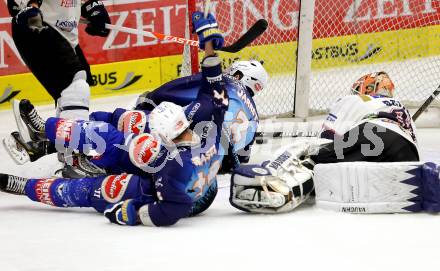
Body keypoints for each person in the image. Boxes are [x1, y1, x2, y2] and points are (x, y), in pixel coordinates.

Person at [0, 11, 240, 226]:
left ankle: (27, 187)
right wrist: (210, 45)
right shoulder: (210, 128)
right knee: (119, 133)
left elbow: (171, 210)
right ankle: (45, 133)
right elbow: (214, 88)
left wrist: (133, 213)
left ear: (165, 138)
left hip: (175, 195)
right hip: (179, 169)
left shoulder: (173, 172)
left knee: (96, 190)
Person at [228, 71, 438, 214]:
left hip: (371, 135)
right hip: (408, 154)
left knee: (309, 155)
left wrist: (317, 155)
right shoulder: (403, 111)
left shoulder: (358, 100)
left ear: (365, 88)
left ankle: (276, 178)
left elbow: (327, 137)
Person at [7, 0, 111, 119]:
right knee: (75, 86)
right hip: (38, 28)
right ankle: (72, 133)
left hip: (67, 36)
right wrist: (32, 6)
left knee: (70, 94)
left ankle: (59, 128)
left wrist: (93, 7)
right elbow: (18, 8)